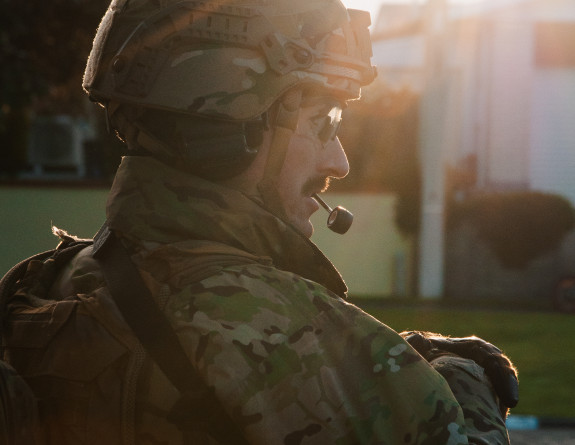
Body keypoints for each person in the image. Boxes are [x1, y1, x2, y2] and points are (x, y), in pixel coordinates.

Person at [2, 0, 517, 444]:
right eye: (323, 122)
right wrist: (467, 379)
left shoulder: (41, 282)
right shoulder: (293, 330)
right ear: (236, 127)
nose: (338, 161)